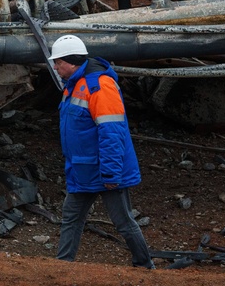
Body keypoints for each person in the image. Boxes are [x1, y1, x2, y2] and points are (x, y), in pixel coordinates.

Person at [49, 34, 155, 269]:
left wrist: (110, 174)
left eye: (58, 62)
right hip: (83, 169)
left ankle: (146, 267)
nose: (55, 67)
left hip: (103, 169)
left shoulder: (99, 86)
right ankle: (62, 267)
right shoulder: (76, 84)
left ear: (72, 61)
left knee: (123, 222)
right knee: (71, 218)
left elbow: (111, 132)